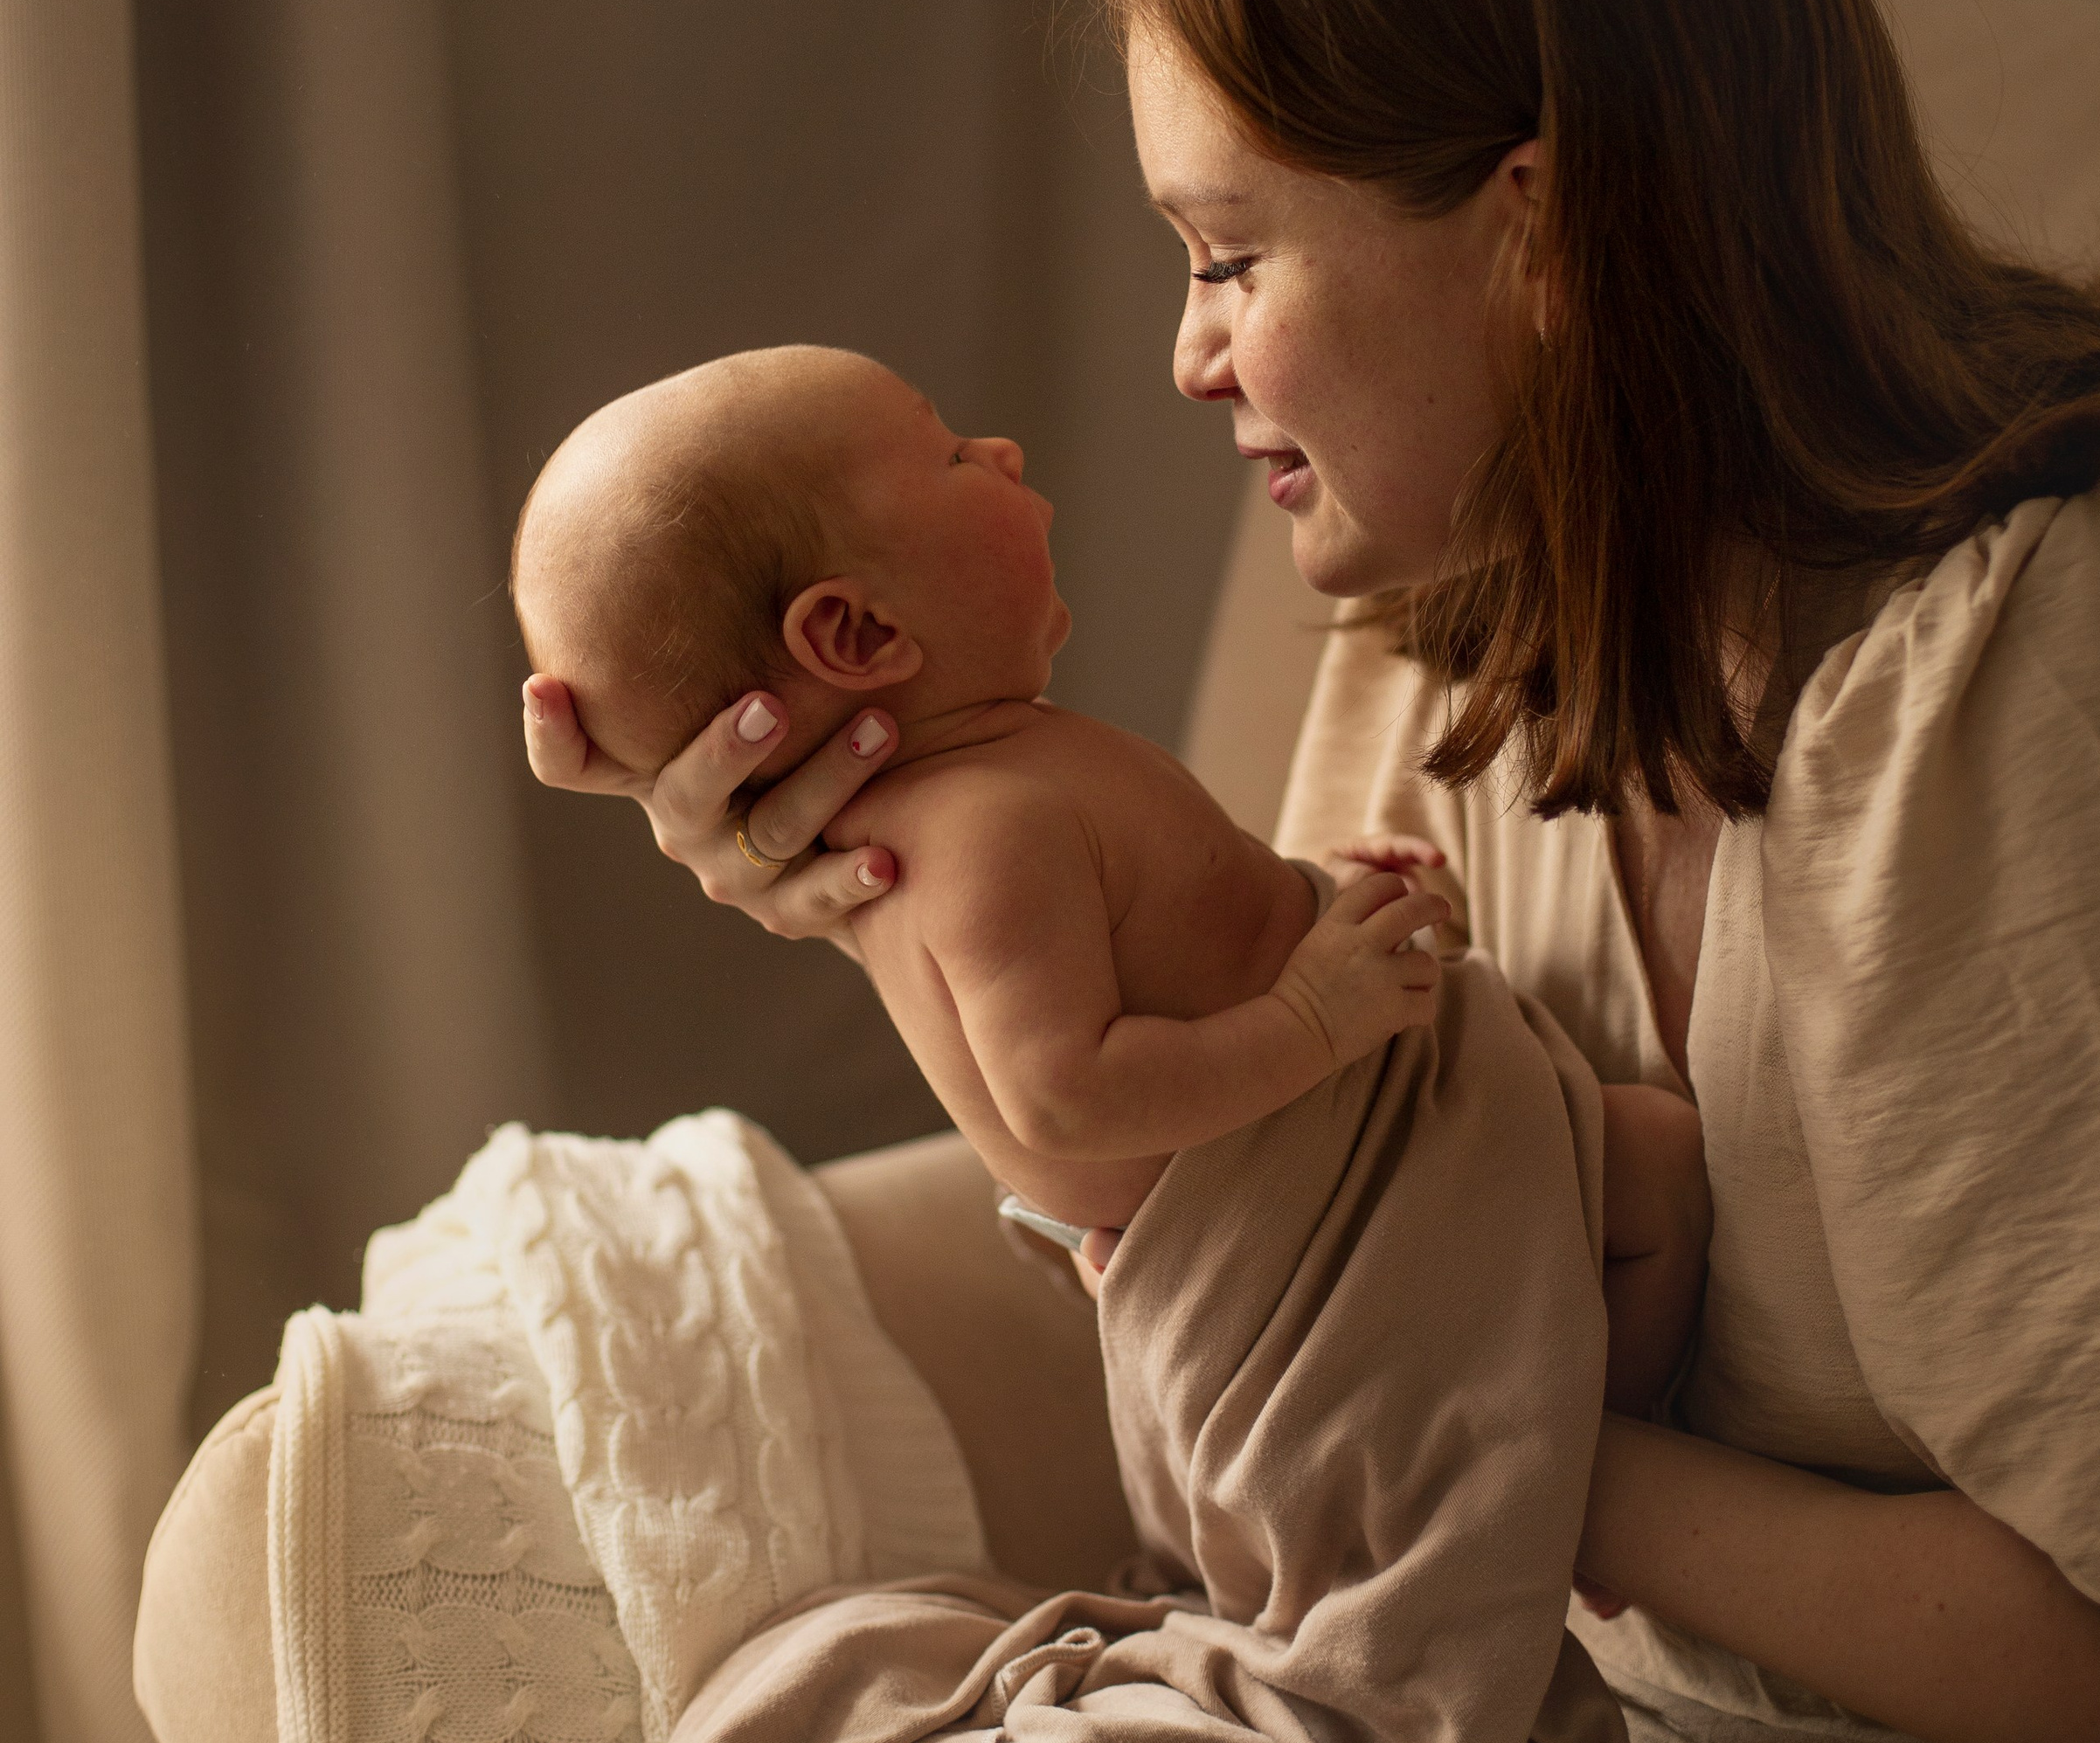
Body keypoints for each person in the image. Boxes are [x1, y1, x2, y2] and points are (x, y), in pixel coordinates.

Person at [527, 0, 2100, 1743]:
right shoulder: (1468, 581)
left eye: (1231, 252)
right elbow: (1243, 1196)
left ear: (1539, 230)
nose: (1186, 359)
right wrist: (900, 901)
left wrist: (1499, 1442)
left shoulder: (2036, 680)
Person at [510, 339, 1708, 1406]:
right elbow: (1066, 1102)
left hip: (1320, 1159)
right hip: (1292, 1234)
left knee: (1637, 1172)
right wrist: (1311, 1014)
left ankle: (1566, 1440)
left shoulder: (999, 781)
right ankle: (1578, 1451)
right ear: (860, 634)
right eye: (950, 457)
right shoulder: (984, 832)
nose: (1002, 450)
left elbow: (1169, 944)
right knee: (1652, 1177)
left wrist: (1324, 900)